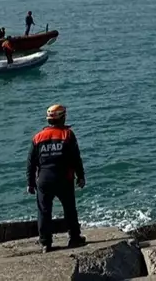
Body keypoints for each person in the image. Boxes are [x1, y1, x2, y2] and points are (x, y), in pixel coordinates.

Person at [27, 104, 87, 253]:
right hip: (64, 178)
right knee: (69, 209)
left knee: (44, 211)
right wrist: (81, 176)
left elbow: (30, 163)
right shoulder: (67, 135)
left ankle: (45, 243)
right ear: (62, 117)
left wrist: (30, 183)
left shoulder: (37, 137)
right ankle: (74, 238)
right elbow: (76, 158)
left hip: (44, 179)